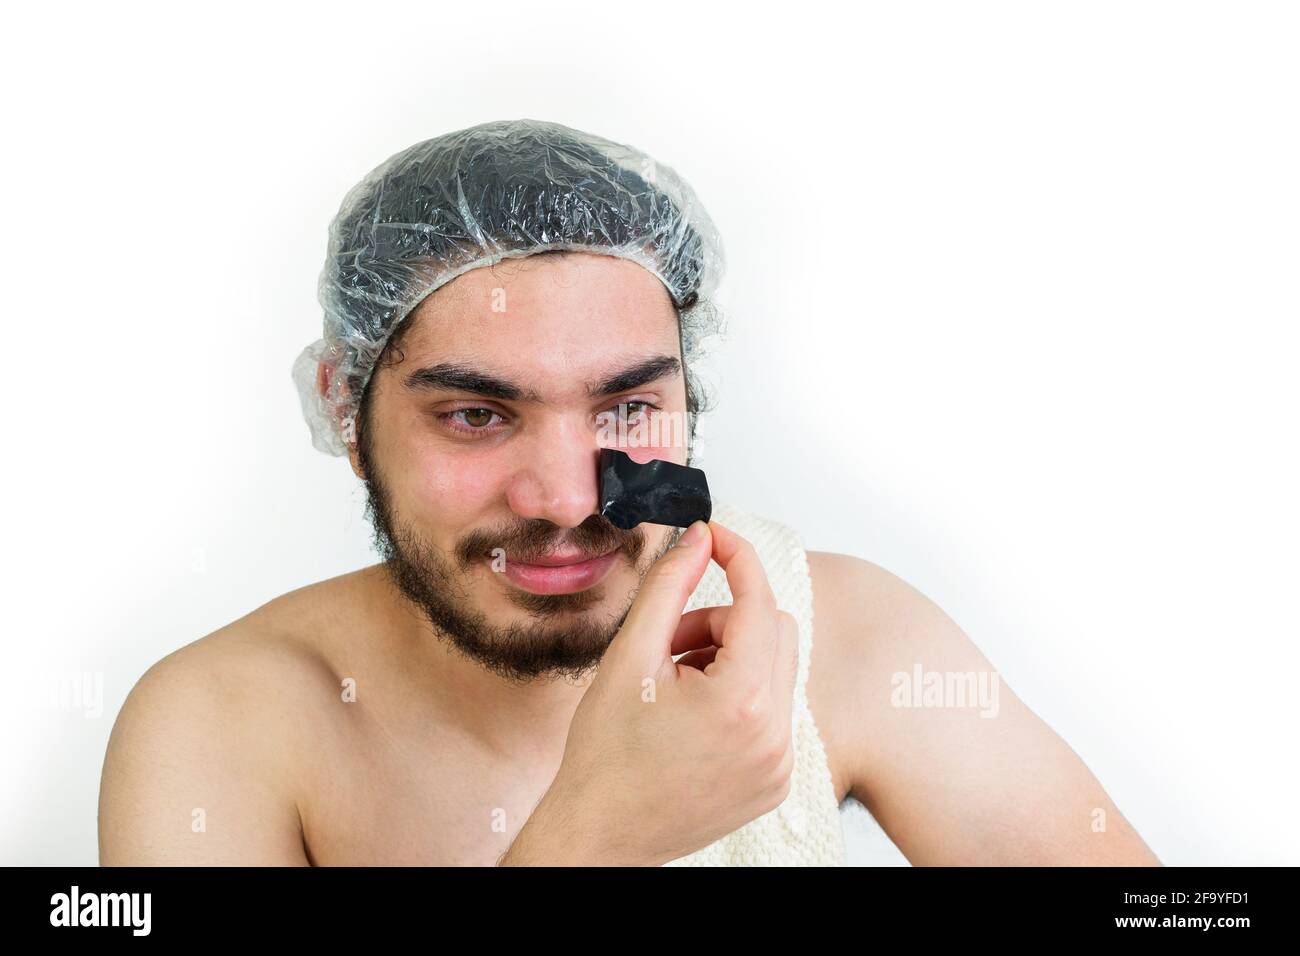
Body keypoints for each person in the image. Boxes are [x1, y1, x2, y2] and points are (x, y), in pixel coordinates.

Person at [97, 119, 1160, 866]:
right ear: (347, 417)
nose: (568, 498)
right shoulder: (222, 724)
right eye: (476, 413)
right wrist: (593, 837)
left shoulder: (837, 636)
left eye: (625, 409)